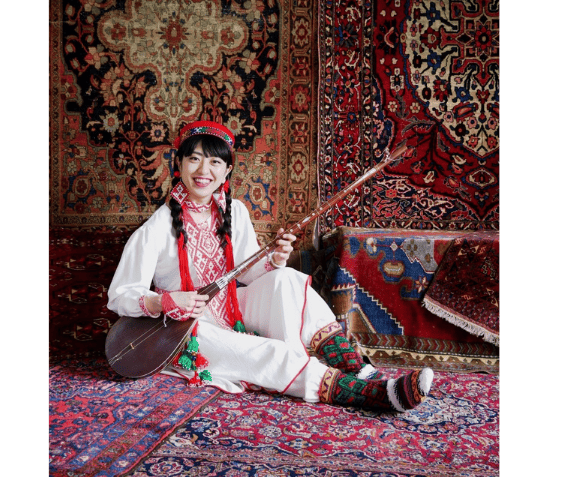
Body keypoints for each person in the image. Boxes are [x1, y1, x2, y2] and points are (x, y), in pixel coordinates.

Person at [107, 120, 434, 412]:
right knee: (267, 352)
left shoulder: (234, 211)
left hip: (231, 310)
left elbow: (249, 272)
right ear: (179, 164)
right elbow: (120, 296)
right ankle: (371, 394)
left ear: (227, 170)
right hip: (188, 331)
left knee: (287, 279)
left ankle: (358, 367)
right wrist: (164, 301)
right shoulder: (156, 227)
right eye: (194, 158)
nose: (203, 169)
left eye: (215, 161)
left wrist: (275, 259)